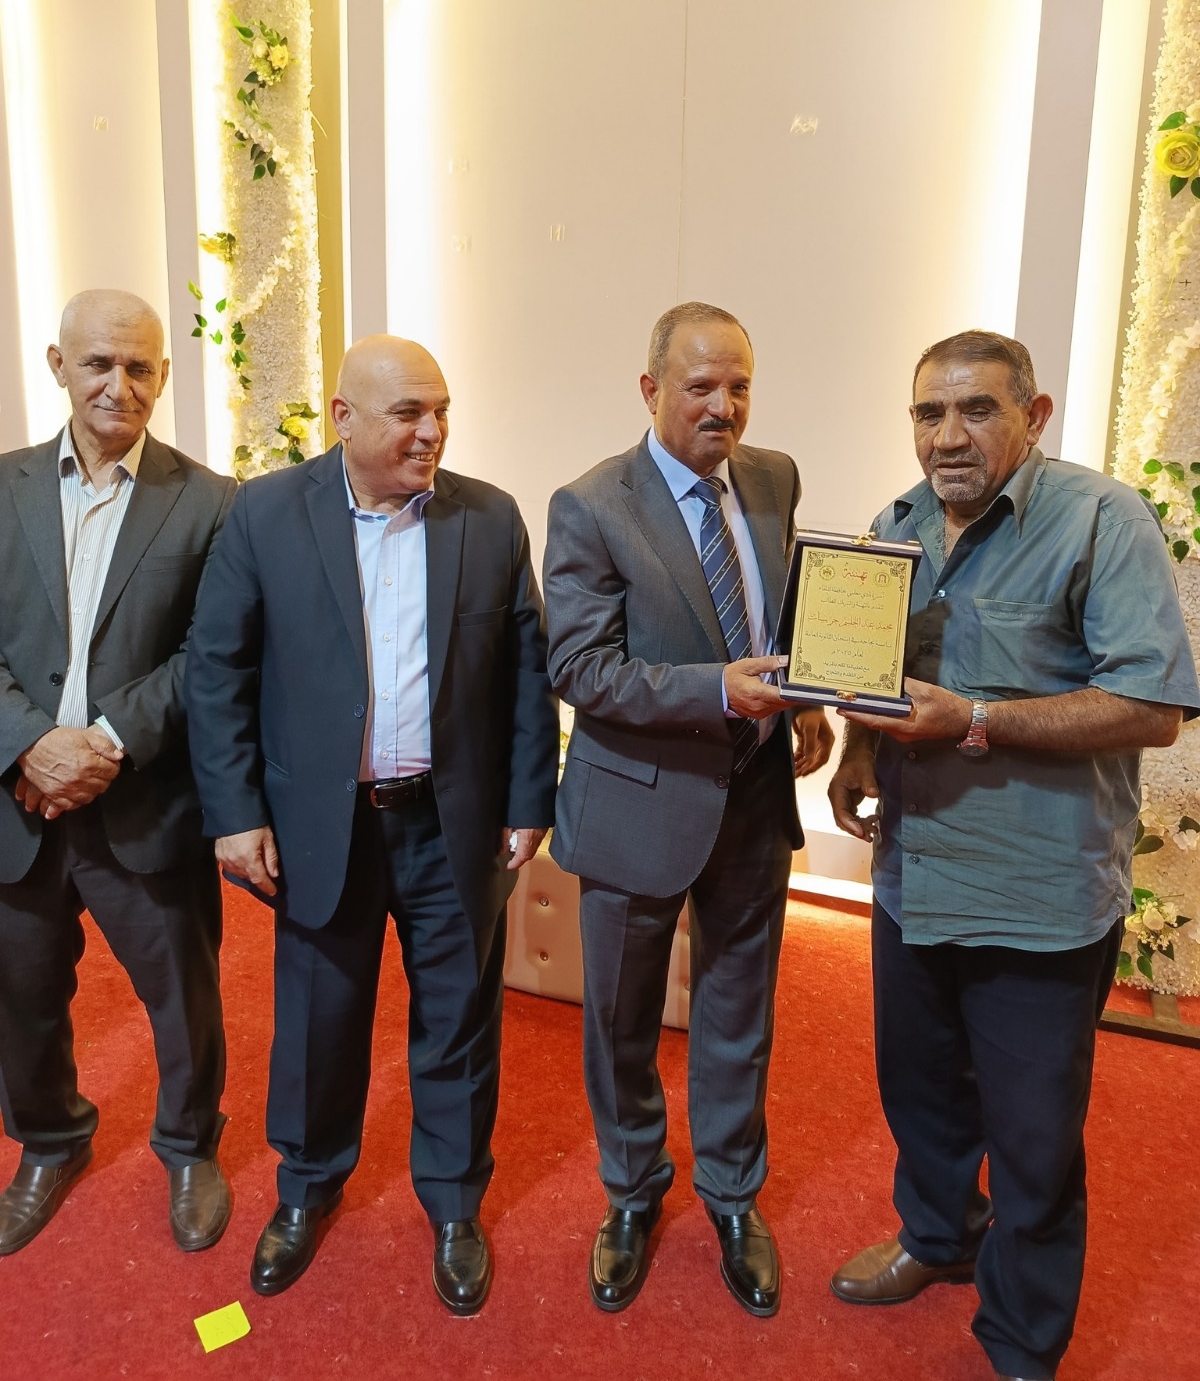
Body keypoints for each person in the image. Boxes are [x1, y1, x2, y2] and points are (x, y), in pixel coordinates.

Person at [826, 330, 1200, 1380]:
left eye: (977, 409)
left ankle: (1024, 1339)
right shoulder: (895, 526)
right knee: (921, 1093)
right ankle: (939, 1237)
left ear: (1033, 417)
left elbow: (1152, 706)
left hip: (1041, 895)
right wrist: (858, 752)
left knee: (1034, 1138)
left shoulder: (1102, 519)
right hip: (912, 878)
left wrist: (978, 719)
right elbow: (873, 669)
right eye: (928, 413)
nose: (948, 435)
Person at [185, 334, 559, 1311]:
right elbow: (217, 671)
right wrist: (234, 812)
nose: (432, 432)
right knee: (319, 1020)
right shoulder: (266, 512)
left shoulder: (489, 518)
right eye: (408, 414)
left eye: (442, 411)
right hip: (325, 826)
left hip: (453, 824)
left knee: (459, 1022)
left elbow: (525, 673)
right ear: (344, 417)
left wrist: (530, 801)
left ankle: (454, 1203)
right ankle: (306, 1189)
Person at [542, 301, 833, 1318]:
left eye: (740, 386)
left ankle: (733, 1197)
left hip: (754, 800)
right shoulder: (590, 504)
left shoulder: (774, 478)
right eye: (701, 386)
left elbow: (780, 614)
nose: (724, 407)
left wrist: (804, 698)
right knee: (622, 1023)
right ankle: (630, 1194)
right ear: (650, 388)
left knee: (739, 1015)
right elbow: (581, 667)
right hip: (637, 809)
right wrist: (719, 691)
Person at [0, 289, 234, 1258]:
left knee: (183, 994)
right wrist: (30, 743)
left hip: (143, 799)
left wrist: (100, 743)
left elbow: (210, 654)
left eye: (139, 367)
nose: (118, 385)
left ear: (163, 376)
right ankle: (49, 1140)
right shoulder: (2, 486)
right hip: (17, 802)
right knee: (19, 996)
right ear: (59, 365)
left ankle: (190, 1145)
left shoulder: (210, 500)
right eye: (98, 363)